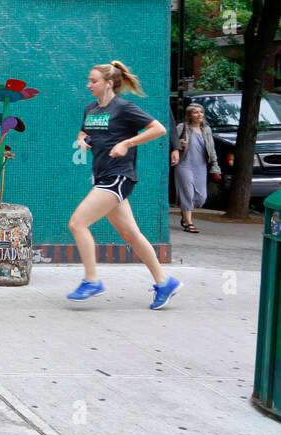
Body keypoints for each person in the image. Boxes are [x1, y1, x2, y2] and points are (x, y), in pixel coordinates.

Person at [67, 60, 181, 308]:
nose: (89, 85)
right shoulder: (91, 109)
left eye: (93, 81)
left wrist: (127, 143)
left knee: (77, 223)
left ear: (108, 84)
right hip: (102, 176)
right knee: (130, 233)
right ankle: (165, 282)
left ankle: (92, 280)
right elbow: (83, 133)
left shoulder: (124, 108)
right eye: (89, 80)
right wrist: (82, 140)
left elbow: (159, 129)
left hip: (118, 176)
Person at [170, 103, 221, 233]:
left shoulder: (206, 130)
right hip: (184, 164)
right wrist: (178, 144)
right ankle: (188, 223)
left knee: (201, 197)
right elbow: (170, 141)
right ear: (189, 115)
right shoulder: (182, 127)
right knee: (187, 193)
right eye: (195, 112)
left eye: (201, 112)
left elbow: (212, 149)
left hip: (201, 166)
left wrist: (215, 168)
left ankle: (185, 211)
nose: (199, 115)